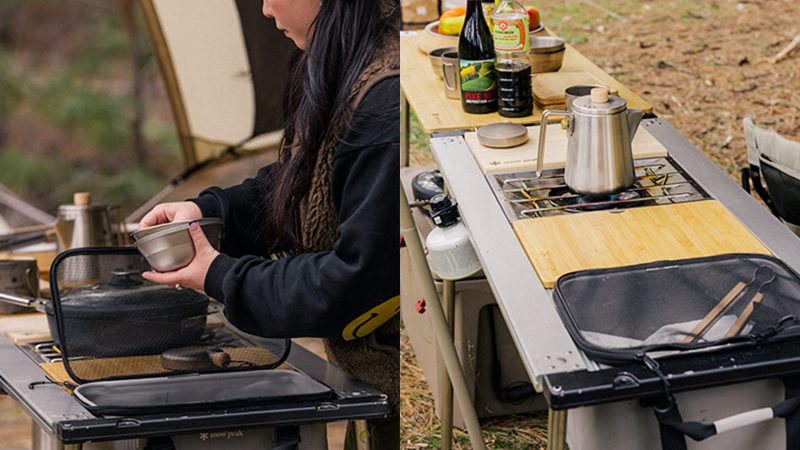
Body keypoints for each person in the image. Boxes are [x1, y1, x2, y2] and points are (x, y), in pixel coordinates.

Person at [139, 0, 400, 447]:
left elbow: (354, 280)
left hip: (408, 395)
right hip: (373, 391)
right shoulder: (349, 65)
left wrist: (220, 276)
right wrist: (208, 213)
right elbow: (301, 184)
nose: (263, 10)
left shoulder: (386, 102)